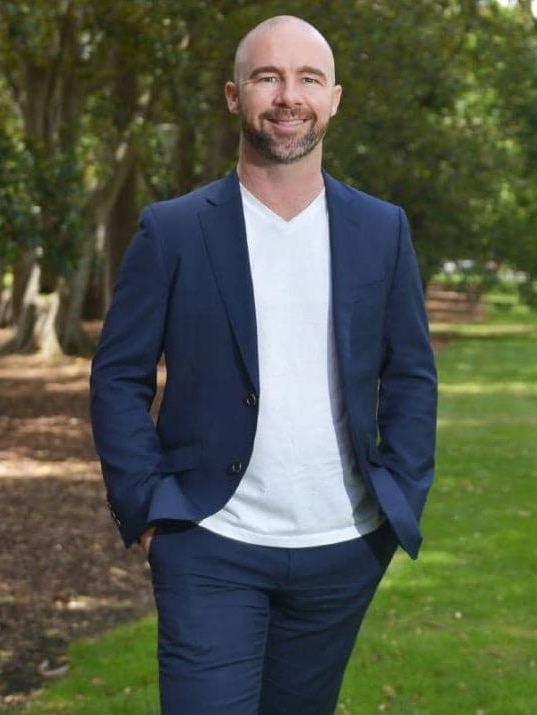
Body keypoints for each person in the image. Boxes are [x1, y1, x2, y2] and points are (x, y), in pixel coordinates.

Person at [90, 15, 437, 715]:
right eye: (267, 77)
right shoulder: (174, 228)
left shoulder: (381, 228)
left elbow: (410, 375)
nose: (288, 95)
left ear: (334, 98)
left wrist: (399, 488)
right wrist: (150, 505)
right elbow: (118, 377)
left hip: (342, 548)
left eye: (308, 78)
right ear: (233, 95)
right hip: (207, 541)